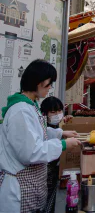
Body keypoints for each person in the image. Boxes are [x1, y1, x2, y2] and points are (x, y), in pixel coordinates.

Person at [0, 60, 81, 213]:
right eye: (48, 83)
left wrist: (60, 133)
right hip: (19, 189)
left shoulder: (30, 106)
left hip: (31, 186)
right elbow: (31, 152)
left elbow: (37, 133)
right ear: (37, 82)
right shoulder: (21, 111)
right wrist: (63, 145)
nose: (50, 87)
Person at [41, 96, 78, 213]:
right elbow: (48, 132)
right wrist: (62, 133)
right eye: (53, 112)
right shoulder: (41, 127)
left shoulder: (57, 124)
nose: (57, 114)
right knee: (46, 199)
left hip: (55, 170)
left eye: (59, 111)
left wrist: (65, 121)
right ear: (44, 114)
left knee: (51, 197)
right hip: (45, 171)